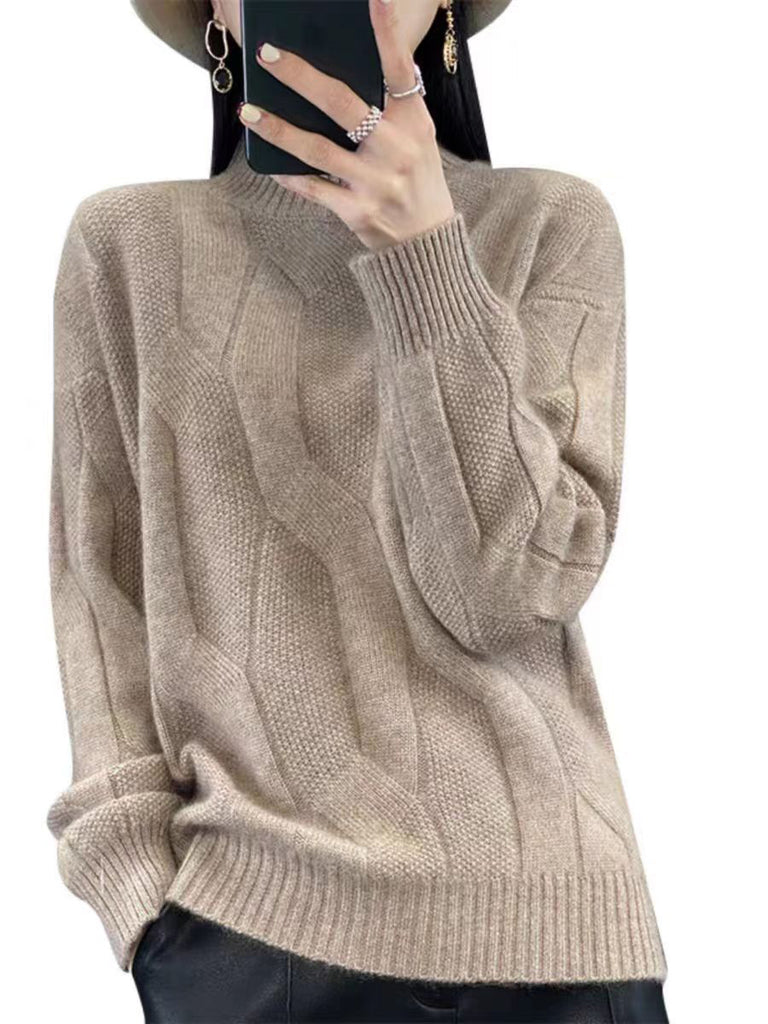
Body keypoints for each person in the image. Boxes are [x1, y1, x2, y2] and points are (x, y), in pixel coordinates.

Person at [46, 1, 670, 1020]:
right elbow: (98, 591)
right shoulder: (127, 246)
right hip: (250, 941)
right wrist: (144, 908)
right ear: (215, 15)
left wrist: (425, 256)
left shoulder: (552, 223)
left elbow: (511, 595)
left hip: (553, 935)